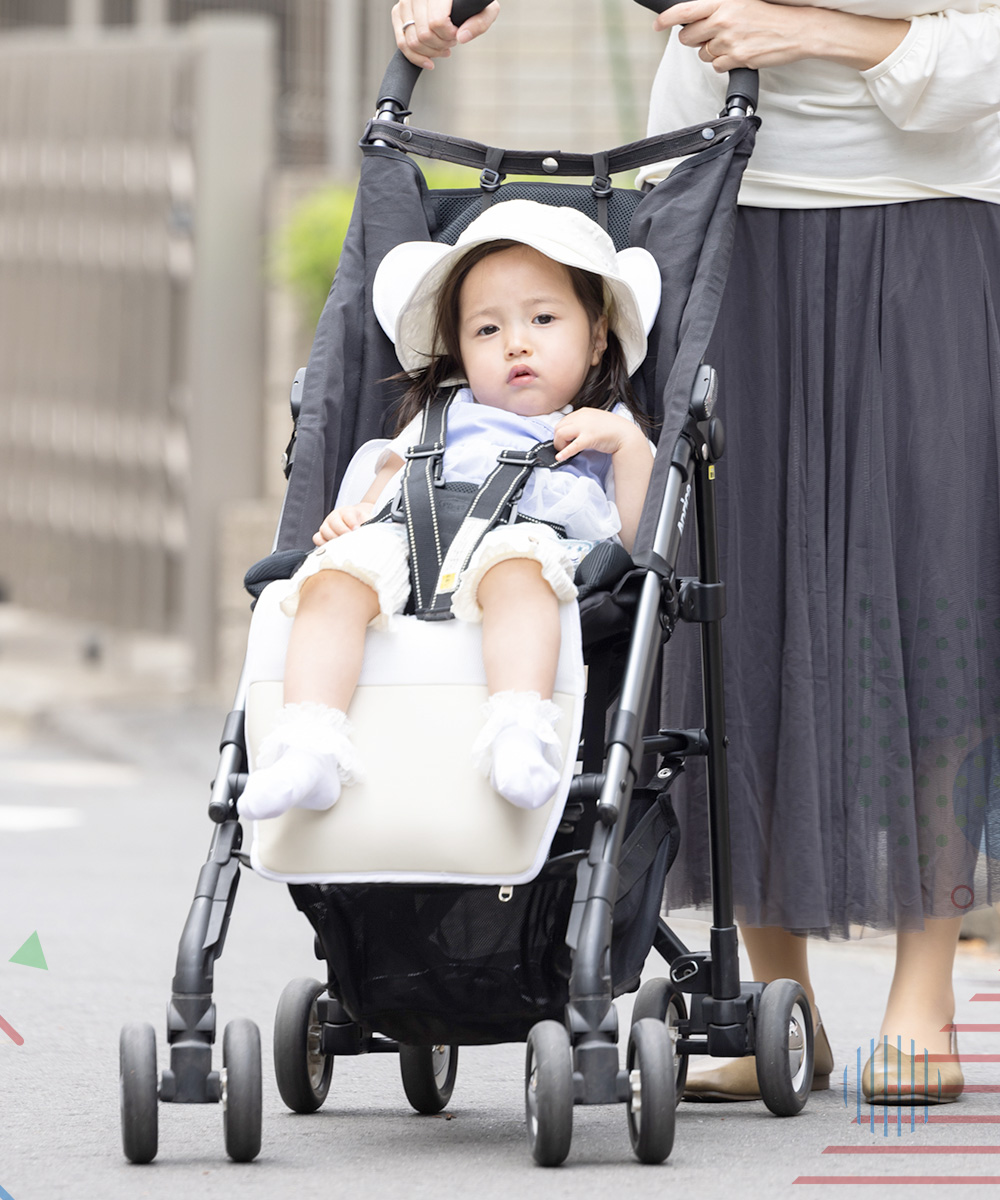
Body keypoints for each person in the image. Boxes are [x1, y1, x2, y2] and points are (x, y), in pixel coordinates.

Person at [391, 0, 1000, 1105]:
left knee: (931, 591)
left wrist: (804, 30)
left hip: (928, 218)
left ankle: (923, 998)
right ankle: (771, 998)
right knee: (729, 593)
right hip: (719, 204)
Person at [240, 199, 658, 820]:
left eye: (543, 318)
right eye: (487, 330)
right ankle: (309, 745)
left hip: (523, 539)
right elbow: (390, 482)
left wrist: (626, 445)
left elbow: (639, 540)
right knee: (334, 579)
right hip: (412, 536)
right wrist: (355, 518)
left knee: (520, 573)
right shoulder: (444, 415)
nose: (516, 343)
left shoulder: (602, 428)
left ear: (598, 338)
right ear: (459, 351)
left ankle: (519, 730)